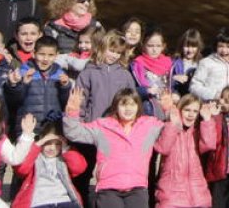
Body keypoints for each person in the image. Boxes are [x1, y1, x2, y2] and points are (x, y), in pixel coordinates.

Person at [63, 87, 168, 208]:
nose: (128, 109)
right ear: (116, 107)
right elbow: (74, 133)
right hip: (108, 189)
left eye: (132, 105)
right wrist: (72, 111)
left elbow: (171, 132)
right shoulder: (103, 126)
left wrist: (169, 111)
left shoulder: (149, 125)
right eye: (123, 104)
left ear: (138, 106)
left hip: (137, 188)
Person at [75, 32, 139, 203]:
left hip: (115, 131)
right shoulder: (89, 73)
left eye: (118, 52)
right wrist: (80, 123)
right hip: (92, 128)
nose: (114, 55)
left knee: (109, 172)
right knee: (84, 171)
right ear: (102, 48)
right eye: (111, 50)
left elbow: (132, 102)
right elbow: (80, 100)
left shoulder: (124, 75)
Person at [155, 93, 220, 208]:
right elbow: (163, 148)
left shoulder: (198, 130)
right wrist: (172, 125)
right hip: (172, 195)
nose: (191, 115)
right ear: (179, 110)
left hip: (198, 194)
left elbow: (209, 145)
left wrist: (207, 120)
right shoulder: (170, 128)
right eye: (187, 110)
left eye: (195, 111)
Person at [11, 121, 87, 208]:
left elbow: (79, 168)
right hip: (40, 202)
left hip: (64, 200)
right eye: (48, 143)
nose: (52, 148)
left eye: (57, 144)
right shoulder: (35, 156)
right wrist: (37, 145)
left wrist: (66, 148)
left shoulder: (65, 157)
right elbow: (21, 170)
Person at [5, 36, 72, 129]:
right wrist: (22, 84)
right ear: (33, 53)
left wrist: (65, 86)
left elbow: (65, 102)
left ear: (57, 55)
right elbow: (15, 101)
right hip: (28, 125)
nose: (45, 59)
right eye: (42, 54)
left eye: (50, 55)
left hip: (53, 126)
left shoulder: (60, 73)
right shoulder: (23, 71)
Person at [192, 28, 229, 102]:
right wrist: (214, 95)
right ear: (216, 46)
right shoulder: (206, 63)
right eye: (221, 46)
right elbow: (194, 87)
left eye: (228, 46)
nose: (224, 50)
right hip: (210, 105)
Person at [131, 28, 173, 117]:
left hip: (168, 108)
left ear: (163, 46)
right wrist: (146, 91)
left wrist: (176, 94)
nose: (154, 49)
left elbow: (171, 85)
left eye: (158, 46)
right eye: (150, 46)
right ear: (143, 46)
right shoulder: (137, 65)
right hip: (148, 109)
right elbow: (131, 89)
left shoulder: (169, 63)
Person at [172, 28, 204, 95]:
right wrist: (174, 78)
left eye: (193, 47)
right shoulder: (174, 63)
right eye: (186, 46)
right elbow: (165, 79)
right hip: (177, 94)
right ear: (181, 46)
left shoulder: (202, 64)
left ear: (198, 47)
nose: (189, 50)